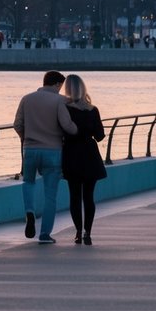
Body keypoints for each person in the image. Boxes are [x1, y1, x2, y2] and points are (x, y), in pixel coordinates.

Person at [14, 70, 77, 244]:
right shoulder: (60, 101)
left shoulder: (27, 99)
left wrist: (26, 138)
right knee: (50, 195)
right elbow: (67, 125)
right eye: (61, 86)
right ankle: (44, 234)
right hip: (53, 151)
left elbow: (17, 124)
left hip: (30, 149)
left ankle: (29, 211)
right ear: (57, 84)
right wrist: (77, 131)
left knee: (28, 181)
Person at [61, 74, 107, 246]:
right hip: (90, 154)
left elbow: (61, 131)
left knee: (74, 196)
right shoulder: (92, 109)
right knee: (89, 196)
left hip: (71, 153)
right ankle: (88, 232)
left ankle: (78, 233)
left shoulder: (65, 108)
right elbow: (100, 136)